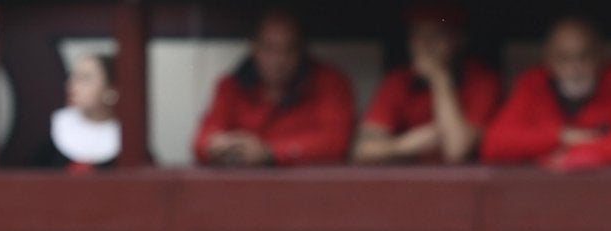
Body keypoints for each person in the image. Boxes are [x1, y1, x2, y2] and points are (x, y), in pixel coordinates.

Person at [194, 9, 355, 167]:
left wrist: (270, 152)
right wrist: (221, 146)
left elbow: (335, 143)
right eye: (269, 48)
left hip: (308, 189)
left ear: (302, 50)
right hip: (244, 188)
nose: (279, 60)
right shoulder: (231, 85)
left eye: (289, 49)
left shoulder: (329, 82)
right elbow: (201, 142)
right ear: (254, 47)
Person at [352, 3, 501, 164]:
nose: (424, 44)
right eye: (417, 35)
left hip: (466, 184)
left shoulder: (482, 80)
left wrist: (439, 79)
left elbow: (458, 150)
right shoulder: (399, 80)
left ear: (459, 39)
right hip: (409, 181)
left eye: (435, 35)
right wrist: (403, 145)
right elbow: (362, 151)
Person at [480, 16, 611, 169]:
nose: (575, 68)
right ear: (549, 60)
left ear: (600, 56)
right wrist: (561, 137)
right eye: (564, 58)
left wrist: (577, 155)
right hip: (543, 189)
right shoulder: (533, 84)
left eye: (584, 56)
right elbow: (493, 144)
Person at [36, 53, 122, 171]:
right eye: (74, 77)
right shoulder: (54, 129)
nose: (72, 85)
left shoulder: (127, 139)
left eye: (85, 78)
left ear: (110, 89)